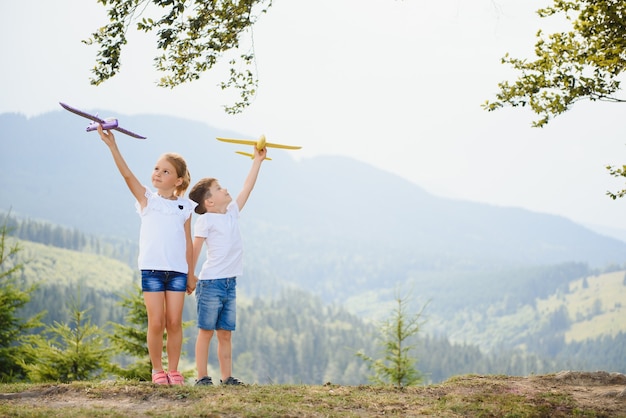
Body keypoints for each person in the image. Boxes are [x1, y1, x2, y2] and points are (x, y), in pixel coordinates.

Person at [96, 125, 197, 386]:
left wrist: (191, 273)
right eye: (156, 169)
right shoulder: (147, 200)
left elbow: (188, 242)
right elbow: (128, 176)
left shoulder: (185, 206)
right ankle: (157, 370)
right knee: (157, 321)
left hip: (177, 272)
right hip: (151, 270)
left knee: (174, 322)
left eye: (166, 171)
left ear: (178, 181)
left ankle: (173, 371)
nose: (158, 174)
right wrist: (112, 146)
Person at [189, 145, 267, 386]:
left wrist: (257, 161)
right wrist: (190, 275)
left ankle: (227, 377)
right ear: (210, 202)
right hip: (210, 283)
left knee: (225, 333)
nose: (226, 189)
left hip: (229, 283)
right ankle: (202, 377)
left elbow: (248, 187)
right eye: (219, 188)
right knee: (206, 332)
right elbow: (196, 247)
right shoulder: (205, 220)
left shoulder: (232, 212)